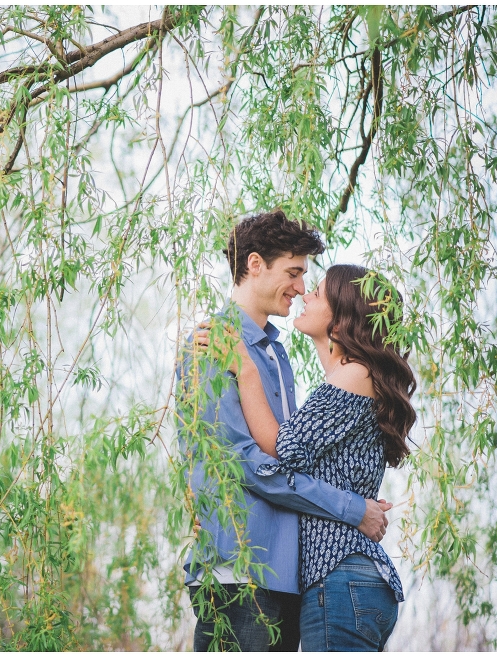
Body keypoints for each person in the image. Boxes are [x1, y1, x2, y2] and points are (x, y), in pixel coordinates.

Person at [178, 210, 393, 652]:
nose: (299, 287)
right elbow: (244, 463)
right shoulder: (211, 344)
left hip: (290, 581)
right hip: (241, 571)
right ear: (255, 264)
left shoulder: (277, 353)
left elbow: (288, 456)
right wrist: (353, 508)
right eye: (293, 273)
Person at [220, 264, 415, 651]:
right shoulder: (353, 377)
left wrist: (245, 371)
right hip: (346, 581)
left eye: (319, 293)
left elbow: (285, 449)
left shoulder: (354, 372)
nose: (305, 293)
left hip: (340, 578)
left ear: (341, 323)